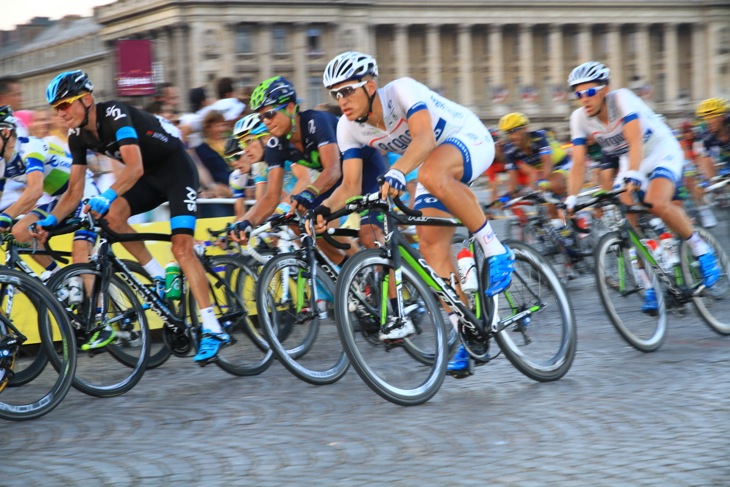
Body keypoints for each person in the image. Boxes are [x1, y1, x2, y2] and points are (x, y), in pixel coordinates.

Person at [321, 51, 514, 374]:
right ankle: (467, 334)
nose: (342, 100)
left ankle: (496, 250)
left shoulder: (401, 91)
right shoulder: (348, 128)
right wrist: (322, 210)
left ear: (370, 86)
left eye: (348, 90)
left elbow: (424, 137)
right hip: (430, 163)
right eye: (335, 94)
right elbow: (350, 185)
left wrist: (397, 171)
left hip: (466, 137)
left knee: (431, 175)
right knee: (430, 246)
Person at [34, 70, 231, 363]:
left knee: (180, 247)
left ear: (86, 99)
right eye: (56, 109)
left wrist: (105, 195)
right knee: (111, 217)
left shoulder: (115, 113)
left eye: (65, 105)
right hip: (149, 179)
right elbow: (74, 190)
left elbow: (134, 166)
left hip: (176, 171)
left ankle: (212, 327)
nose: (60, 114)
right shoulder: (77, 136)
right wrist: (50, 222)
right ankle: (159, 276)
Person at [564, 61, 721, 313]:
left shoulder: (622, 98)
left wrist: (634, 174)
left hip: (660, 150)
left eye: (590, 92)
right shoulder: (579, 118)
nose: (584, 99)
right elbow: (578, 162)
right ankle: (649, 286)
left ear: (604, 89)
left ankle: (702, 252)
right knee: (628, 225)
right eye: (579, 94)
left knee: (656, 202)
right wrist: (570, 198)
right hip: (631, 161)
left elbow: (635, 140)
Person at [499, 112, 571, 202]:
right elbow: (512, 174)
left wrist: (544, 181)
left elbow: (547, 161)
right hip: (544, 171)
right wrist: (509, 193)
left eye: (514, 131)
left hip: (562, 164)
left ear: (524, 129)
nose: (511, 136)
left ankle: (568, 205)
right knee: (549, 208)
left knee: (554, 184)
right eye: (508, 133)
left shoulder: (539, 136)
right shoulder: (509, 149)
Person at [695, 98, 730, 180]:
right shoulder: (707, 137)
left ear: (722, 117)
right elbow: (706, 160)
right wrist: (713, 183)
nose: (708, 122)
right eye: (705, 118)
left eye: (712, 117)